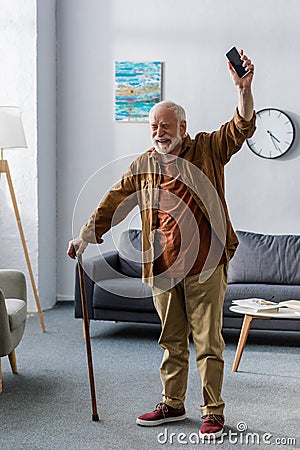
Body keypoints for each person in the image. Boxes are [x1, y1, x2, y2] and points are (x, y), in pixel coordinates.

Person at [67, 49, 255, 438]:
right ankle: (172, 403)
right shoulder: (144, 164)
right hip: (163, 267)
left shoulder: (207, 148)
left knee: (208, 343)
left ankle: (213, 411)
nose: (159, 133)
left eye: (166, 126)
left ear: (183, 126)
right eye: (153, 127)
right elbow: (113, 202)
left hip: (206, 263)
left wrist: (243, 90)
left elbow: (241, 127)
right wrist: (86, 236)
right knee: (171, 340)